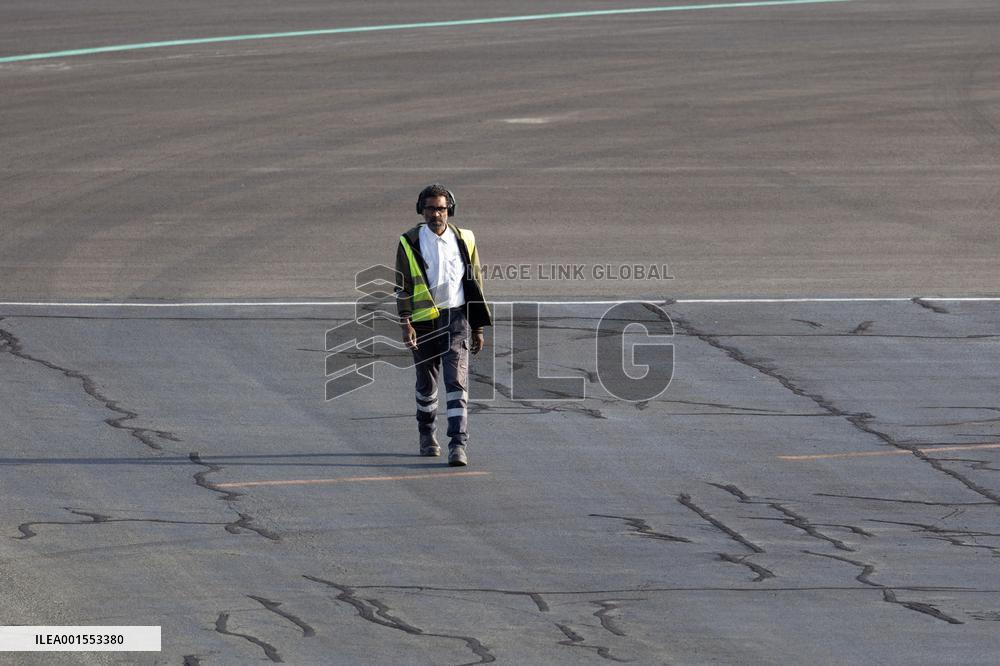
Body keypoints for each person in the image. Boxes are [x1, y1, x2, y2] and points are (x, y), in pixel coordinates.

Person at [395, 184, 492, 466]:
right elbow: (401, 286)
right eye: (430, 208)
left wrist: (477, 327)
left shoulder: (465, 239)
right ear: (421, 210)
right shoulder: (409, 241)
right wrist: (405, 322)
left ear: (450, 209)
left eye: (441, 208)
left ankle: (458, 445)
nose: (436, 214)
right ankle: (427, 435)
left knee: (456, 382)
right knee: (426, 385)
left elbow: (475, 283)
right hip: (423, 323)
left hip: (456, 320)